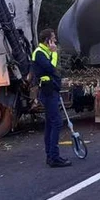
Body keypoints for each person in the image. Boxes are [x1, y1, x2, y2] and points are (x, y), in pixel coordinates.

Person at [32, 28, 71, 168]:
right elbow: (51, 68)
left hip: (51, 91)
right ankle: (54, 157)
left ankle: (50, 155)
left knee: (50, 123)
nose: (55, 41)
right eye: (53, 39)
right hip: (48, 93)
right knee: (56, 123)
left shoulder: (45, 52)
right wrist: (54, 54)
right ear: (47, 41)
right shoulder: (39, 53)